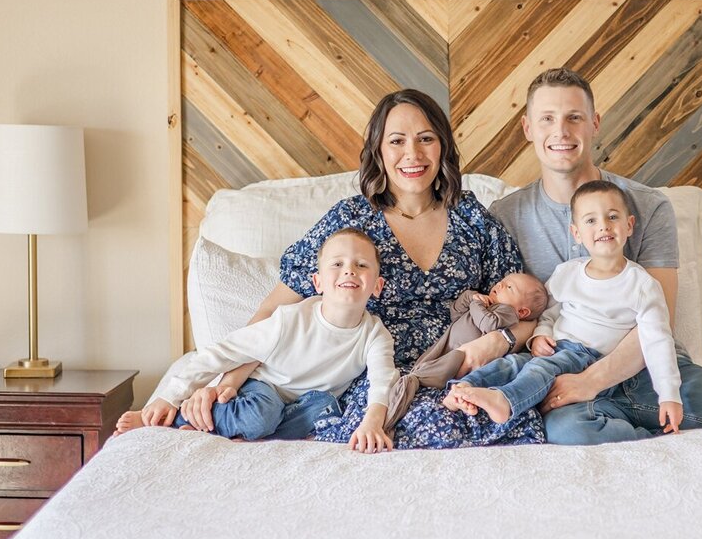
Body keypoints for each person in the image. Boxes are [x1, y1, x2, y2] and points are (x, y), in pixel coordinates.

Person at [489, 68, 702, 483]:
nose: (560, 130)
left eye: (574, 117)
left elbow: (658, 320)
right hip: (565, 377)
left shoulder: (649, 207)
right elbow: (506, 314)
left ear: (595, 124)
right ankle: (666, 455)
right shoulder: (505, 217)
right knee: (568, 432)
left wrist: (591, 381)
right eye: (546, 118)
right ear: (527, 127)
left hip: (656, 371)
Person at [174, 89, 544, 449]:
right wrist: (228, 381)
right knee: (422, 423)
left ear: (443, 146)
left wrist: (501, 340)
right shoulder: (351, 221)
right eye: (396, 141)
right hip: (381, 373)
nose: (412, 153)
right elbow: (274, 310)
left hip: (461, 367)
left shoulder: (472, 217)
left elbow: (526, 308)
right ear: (379, 152)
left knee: (513, 413)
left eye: (426, 138)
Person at [117, 229, 397, 452]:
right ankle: (176, 419)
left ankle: (234, 432)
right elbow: (224, 352)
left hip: (303, 405)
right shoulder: (290, 320)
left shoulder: (375, 334)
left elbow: (382, 380)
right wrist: (170, 396)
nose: (349, 270)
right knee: (262, 414)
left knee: (330, 412)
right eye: (337, 264)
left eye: (361, 265)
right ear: (318, 282)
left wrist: (373, 422)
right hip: (263, 390)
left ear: (377, 286)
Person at [446, 179, 683, 433]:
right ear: (577, 233)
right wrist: (540, 335)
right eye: (591, 220)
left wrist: (669, 394)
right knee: (512, 364)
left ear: (629, 225)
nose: (603, 225)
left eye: (612, 216)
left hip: (590, 358)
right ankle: (464, 389)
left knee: (539, 369)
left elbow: (658, 340)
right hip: (557, 348)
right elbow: (548, 313)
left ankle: (505, 401)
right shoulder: (567, 273)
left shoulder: (642, 285)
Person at [387, 271, 547, 429]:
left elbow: (488, 324)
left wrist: (476, 304)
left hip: (464, 357)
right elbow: (455, 313)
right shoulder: (487, 304)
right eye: (502, 281)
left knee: (436, 372)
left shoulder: (508, 312)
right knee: (427, 364)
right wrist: (470, 296)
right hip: (447, 345)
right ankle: (413, 381)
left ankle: (413, 385)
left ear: (522, 312)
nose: (500, 284)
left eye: (510, 287)